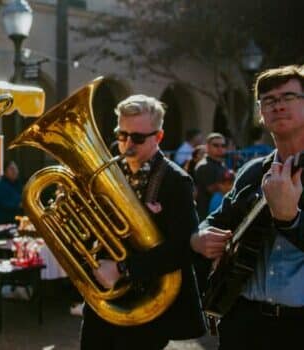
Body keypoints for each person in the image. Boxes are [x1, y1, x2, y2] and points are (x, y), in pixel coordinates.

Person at [191, 65, 304, 350]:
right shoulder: (253, 171)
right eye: (268, 100)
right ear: (261, 113)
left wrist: (290, 220)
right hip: (243, 320)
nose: (278, 105)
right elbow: (216, 219)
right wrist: (200, 237)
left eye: (288, 97)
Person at [81, 95, 206, 350]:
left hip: (146, 304)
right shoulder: (105, 173)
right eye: (121, 135)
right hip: (103, 302)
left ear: (158, 137)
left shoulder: (176, 181)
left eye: (138, 138)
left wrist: (122, 269)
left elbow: (184, 248)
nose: (127, 143)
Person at [194, 132, 228, 219]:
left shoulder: (221, 164)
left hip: (218, 213)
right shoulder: (204, 166)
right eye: (216, 145)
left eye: (223, 145)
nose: (220, 148)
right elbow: (214, 189)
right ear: (207, 147)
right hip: (206, 214)